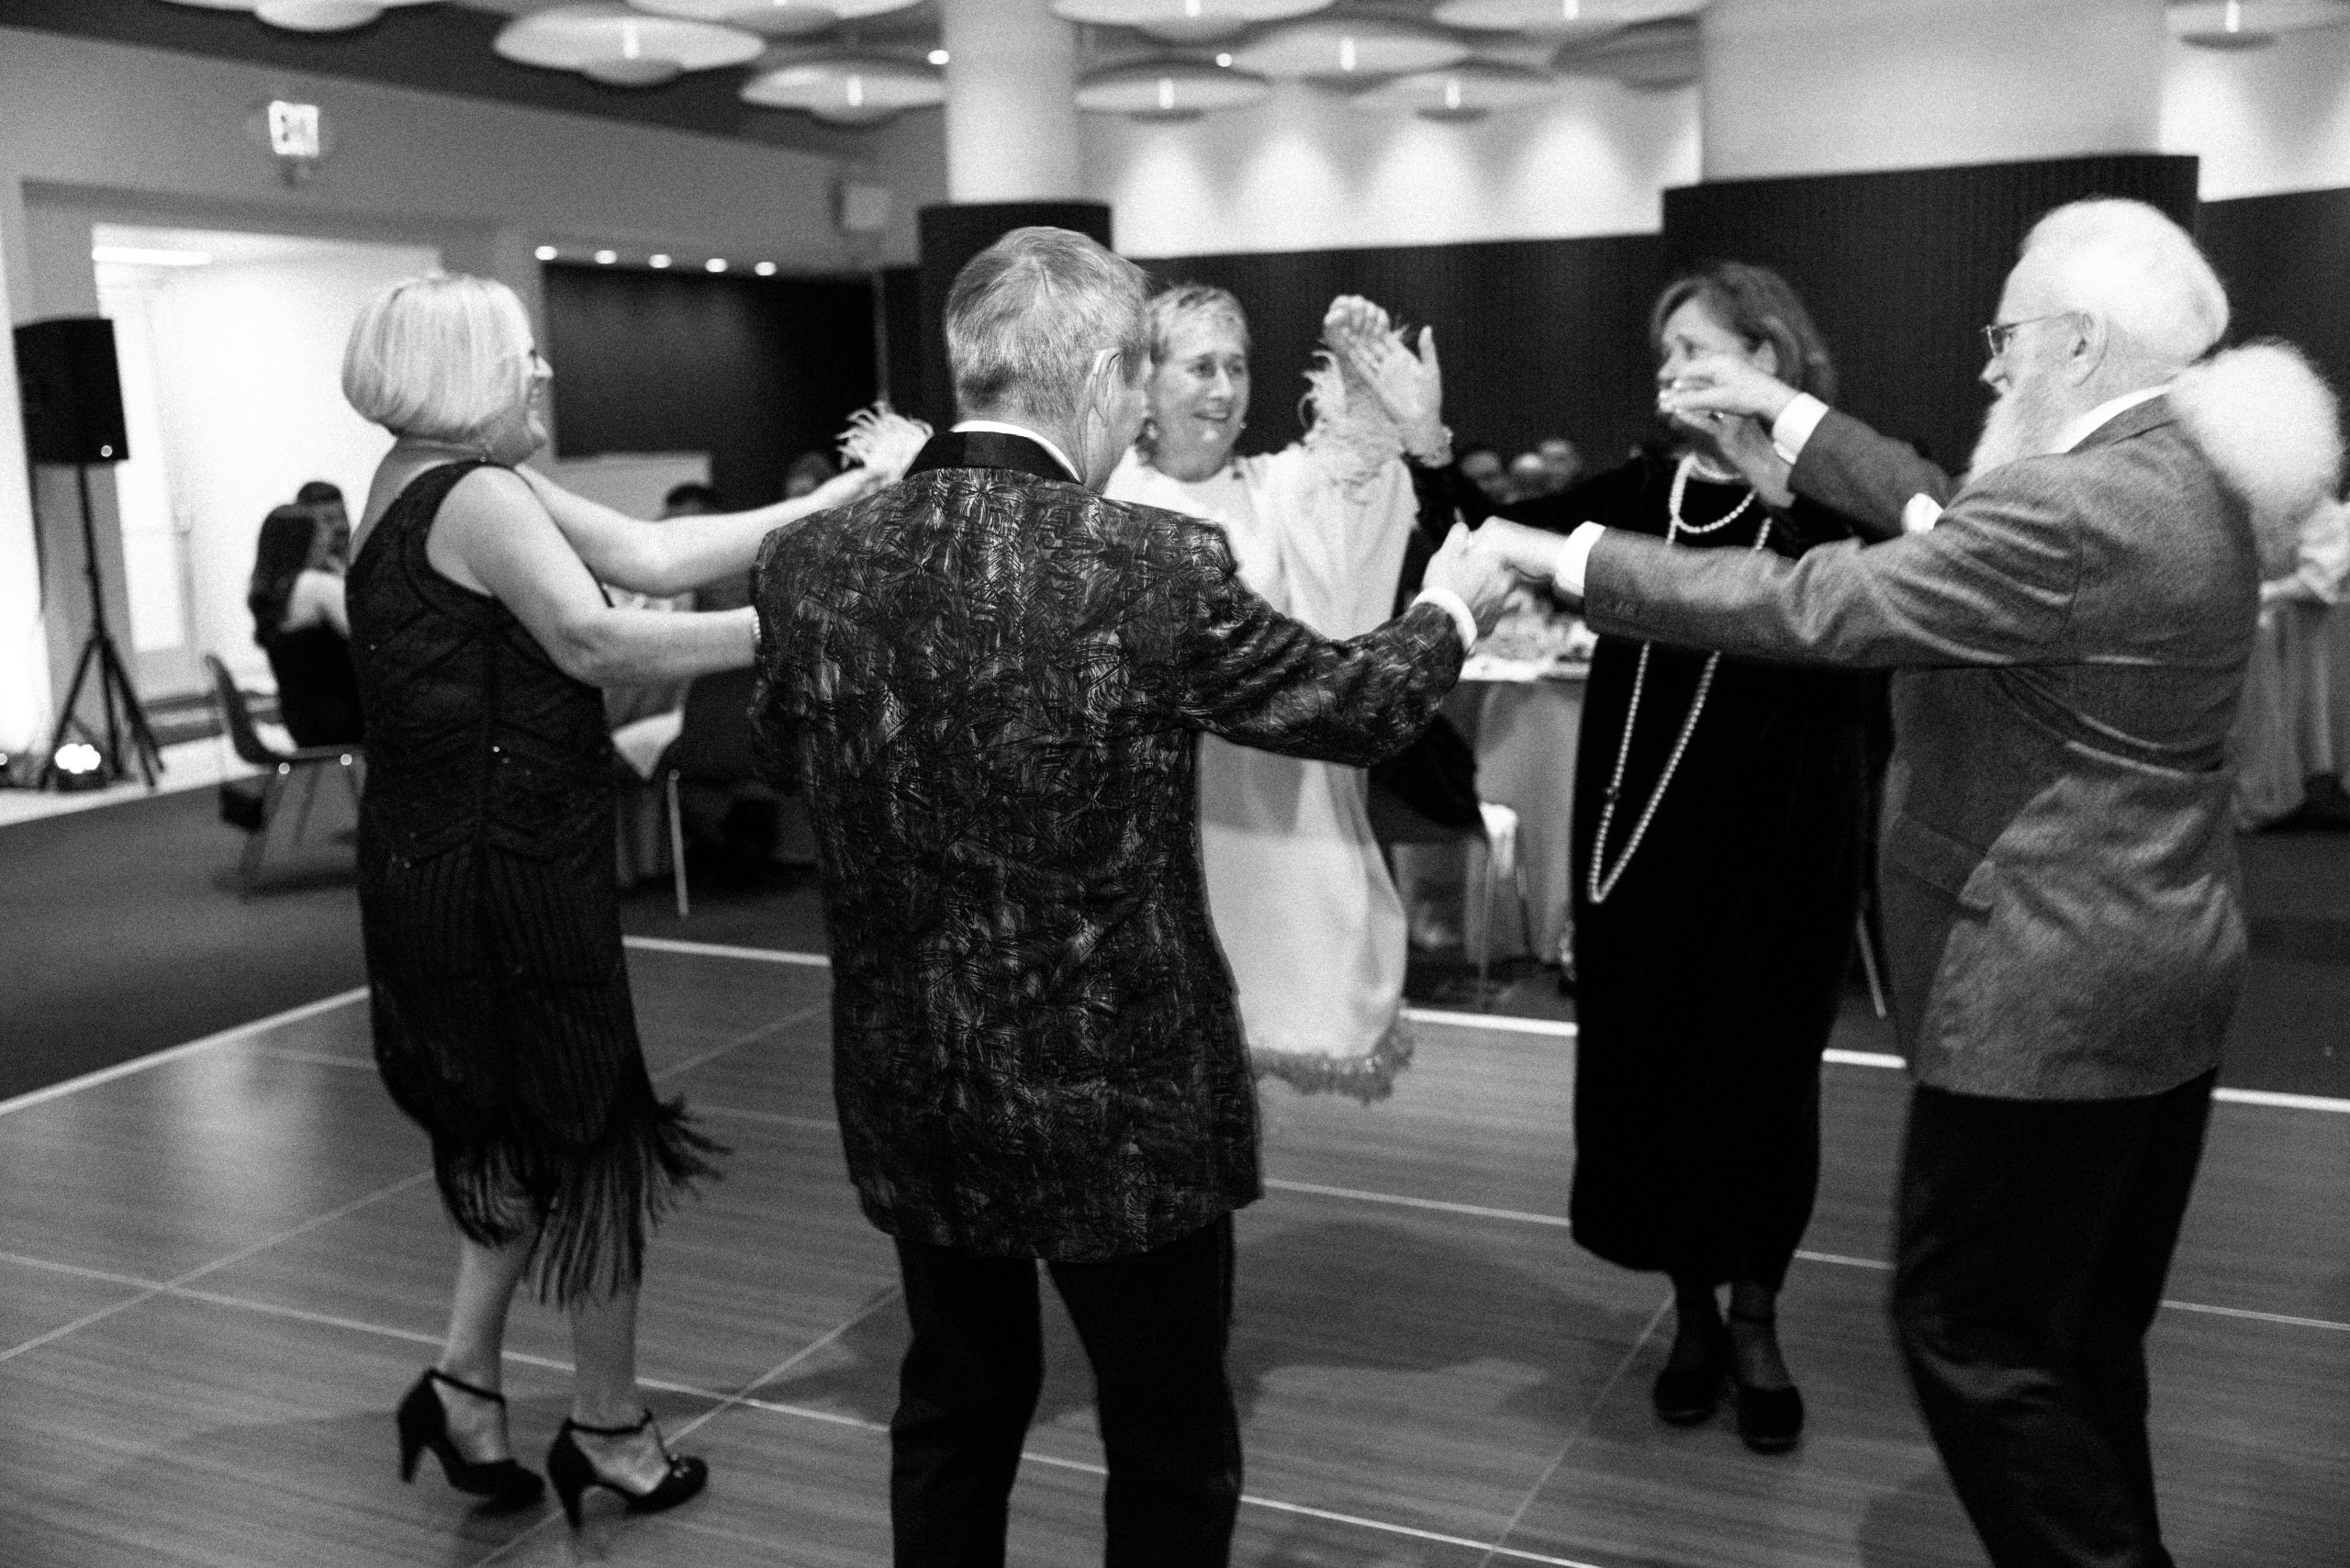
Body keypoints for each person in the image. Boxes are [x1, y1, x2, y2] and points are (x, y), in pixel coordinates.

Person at [1493, 199, 2341, 1567]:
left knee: (1974, 1337)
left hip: (2045, 991)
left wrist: (1564, 557)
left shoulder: (2074, 506)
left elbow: (1815, 605)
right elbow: (1934, 501)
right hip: (2161, 968)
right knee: (2081, 1341)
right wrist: (1784, 410)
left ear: (2078, 341)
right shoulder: (2185, 469)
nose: (1992, 365)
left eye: (2007, 337)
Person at [746, 226, 1509, 1568]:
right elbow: (1354, 706)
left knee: (955, 1407)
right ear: (1109, 380)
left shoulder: (812, 561)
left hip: (919, 1081)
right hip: (1124, 1103)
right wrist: (1448, 605)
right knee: (1166, 1440)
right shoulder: (1147, 565)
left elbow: (781, 757)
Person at [339, 271, 875, 1530]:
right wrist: (808, 628)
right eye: (524, 354)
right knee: (591, 1142)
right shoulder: (476, 496)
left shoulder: (430, 480)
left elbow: (654, 553)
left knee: (517, 1137)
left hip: (441, 864)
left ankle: (464, 1388)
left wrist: (832, 506)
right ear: (464, 373)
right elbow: (599, 639)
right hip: (503, 874)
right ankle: (610, 1429)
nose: (545, 371)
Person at [1369, 261, 1895, 1453]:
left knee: (1764, 1095)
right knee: (1660, 1086)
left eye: (1696, 350)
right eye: (1666, 356)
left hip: (1783, 853)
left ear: (1769, 357)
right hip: (1643, 846)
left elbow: (1876, 600)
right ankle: (1693, 1314)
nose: (1672, 374)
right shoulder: (1643, 490)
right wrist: (1426, 439)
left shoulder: (1838, 493)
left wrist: (1780, 470)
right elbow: (1488, 538)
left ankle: (1756, 1318)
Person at [1103, 284, 1454, 1095]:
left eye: (1237, 367)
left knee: (1239, 1028)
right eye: (1200, 367)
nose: (1224, 389)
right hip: (1146, 811)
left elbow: (1354, 482)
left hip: (1262, 805)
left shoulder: (1275, 491)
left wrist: (1361, 378)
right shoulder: (1107, 500)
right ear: (1147, 383)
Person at [247, 501, 364, 747]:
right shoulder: (313, 584)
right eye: (320, 532)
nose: (328, 539)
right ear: (301, 541)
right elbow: (368, 630)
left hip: (304, 722)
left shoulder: (273, 591)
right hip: (342, 721)